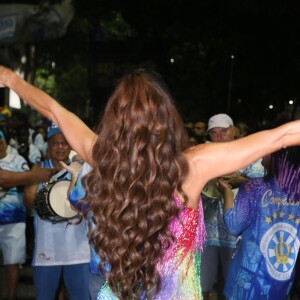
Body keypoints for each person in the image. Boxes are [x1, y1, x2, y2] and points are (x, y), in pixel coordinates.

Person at [1, 67, 300, 299]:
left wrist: (11, 79)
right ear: (167, 118)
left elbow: (54, 109)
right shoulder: (192, 166)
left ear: (116, 121)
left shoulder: (103, 156)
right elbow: (281, 136)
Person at [218, 146, 300, 300]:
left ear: (280, 157)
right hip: (282, 279)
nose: (263, 152)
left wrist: (227, 194)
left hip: (249, 279)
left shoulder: (255, 187)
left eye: (269, 150)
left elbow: (233, 225)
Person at [200, 114, 264, 300]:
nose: (219, 136)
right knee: (202, 283)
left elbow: (262, 184)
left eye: (223, 131)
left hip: (235, 231)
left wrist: (242, 181)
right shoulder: (204, 154)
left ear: (233, 130)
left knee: (230, 285)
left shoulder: (248, 154)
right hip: (208, 231)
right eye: (214, 133)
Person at [23, 123, 90, 300]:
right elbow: (28, 200)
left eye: (64, 143)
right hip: (47, 249)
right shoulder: (39, 168)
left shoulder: (81, 168)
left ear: (70, 145)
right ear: (48, 145)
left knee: (81, 296)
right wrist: (42, 186)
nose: (60, 147)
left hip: (78, 250)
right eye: (55, 143)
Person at [0, 129, 52, 300]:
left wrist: (20, 179)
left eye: (0, 142)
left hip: (13, 218)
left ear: (5, 142)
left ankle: (11, 296)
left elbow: (28, 180)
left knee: (12, 262)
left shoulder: (17, 160)